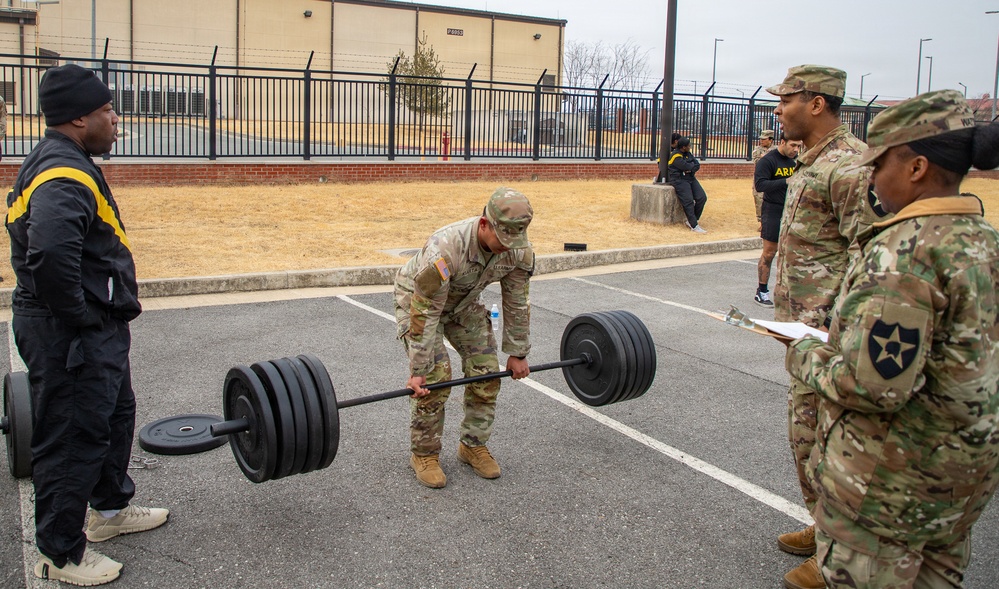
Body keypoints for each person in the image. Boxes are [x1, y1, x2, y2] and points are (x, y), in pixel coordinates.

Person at [785, 90, 999, 588]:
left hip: (888, 490)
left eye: (878, 164)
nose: (872, 177)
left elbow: (873, 386)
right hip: (959, 482)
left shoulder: (904, 254)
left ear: (917, 167)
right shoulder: (983, 239)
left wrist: (805, 352)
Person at [6, 64, 169, 586]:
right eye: (107, 111)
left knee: (114, 415)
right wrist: (81, 318)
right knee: (73, 435)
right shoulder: (63, 174)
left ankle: (109, 509)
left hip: (89, 327)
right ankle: (60, 554)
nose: (116, 120)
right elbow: (50, 253)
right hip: (70, 331)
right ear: (79, 118)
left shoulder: (66, 158)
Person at [766, 64, 887, 589]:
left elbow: (872, 253)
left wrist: (836, 323)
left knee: (829, 444)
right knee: (806, 439)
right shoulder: (812, 160)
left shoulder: (848, 167)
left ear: (817, 103)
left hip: (829, 338)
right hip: (803, 332)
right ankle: (824, 527)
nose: (778, 109)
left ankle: (840, 556)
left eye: (787, 99)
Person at [394, 187, 534, 489]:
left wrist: (518, 352)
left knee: (486, 371)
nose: (506, 247)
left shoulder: (517, 249)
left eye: (513, 240)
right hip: (419, 302)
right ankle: (424, 453)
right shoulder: (445, 249)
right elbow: (426, 311)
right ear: (484, 224)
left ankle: (472, 444)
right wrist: (418, 371)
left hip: (462, 304)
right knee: (436, 377)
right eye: (502, 239)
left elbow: (517, 301)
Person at [753, 133, 802, 307]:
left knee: (791, 252)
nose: (796, 150)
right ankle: (762, 291)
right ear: (782, 142)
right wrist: (786, 181)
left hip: (793, 209)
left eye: (799, 146)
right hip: (773, 209)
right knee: (769, 251)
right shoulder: (768, 161)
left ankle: (788, 292)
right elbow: (760, 185)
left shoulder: (797, 161)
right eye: (793, 145)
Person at [667, 136, 708, 233]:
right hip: (679, 180)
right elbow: (685, 166)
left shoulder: (688, 154)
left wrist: (690, 168)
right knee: (688, 201)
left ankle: (693, 220)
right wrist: (689, 167)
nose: (690, 147)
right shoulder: (675, 156)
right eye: (689, 145)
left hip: (690, 178)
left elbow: (696, 165)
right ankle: (694, 225)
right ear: (683, 147)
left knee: (702, 197)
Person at [751, 129, 777, 226]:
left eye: (764, 139)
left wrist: (764, 157)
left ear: (770, 140)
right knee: (758, 199)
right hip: (760, 178)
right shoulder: (757, 150)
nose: (761, 141)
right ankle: (761, 222)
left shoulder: (776, 150)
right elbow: (756, 162)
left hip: (773, 179)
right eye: (761, 139)